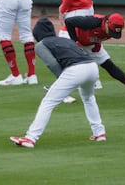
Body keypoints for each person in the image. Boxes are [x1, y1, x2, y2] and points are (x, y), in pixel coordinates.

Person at [9, 18, 106, 149]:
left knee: (48, 102)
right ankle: (99, 133)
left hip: (75, 70)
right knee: (89, 98)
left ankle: (30, 138)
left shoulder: (41, 45)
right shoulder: (64, 39)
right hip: (92, 68)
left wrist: (64, 82)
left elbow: (52, 64)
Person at [65, 13, 125, 97]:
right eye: (111, 31)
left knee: (109, 66)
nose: (112, 34)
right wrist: (74, 42)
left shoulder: (110, 29)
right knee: (72, 66)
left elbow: (97, 36)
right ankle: (63, 94)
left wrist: (97, 44)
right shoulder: (91, 22)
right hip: (70, 37)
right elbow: (69, 21)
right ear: (107, 23)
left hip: (88, 43)